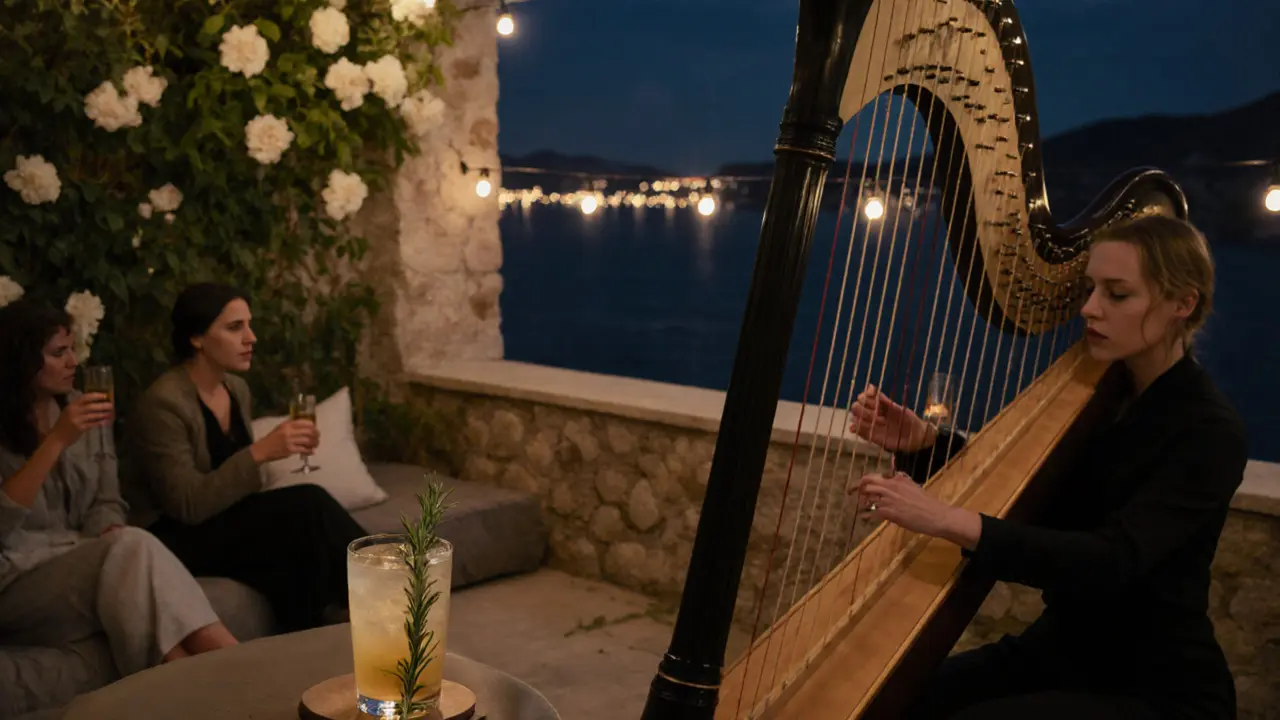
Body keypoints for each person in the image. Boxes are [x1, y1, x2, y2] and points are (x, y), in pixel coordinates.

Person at [848, 214, 1246, 720]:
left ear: (1182, 305)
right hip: (1061, 653)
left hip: (1154, 683)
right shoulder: (1104, 400)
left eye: (1117, 294)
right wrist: (925, 444)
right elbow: (1037, 499)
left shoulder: (1208, 430)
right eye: (1090, 289)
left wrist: (943, 518)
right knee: (890, 699)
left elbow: (1111, 560)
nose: (1089, 308)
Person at [0, 298, 237, 675]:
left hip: (83, 555)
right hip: (17, 581)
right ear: (22, 360)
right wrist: (57, 440)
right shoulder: (45, 425)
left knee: (129, 548)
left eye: (72, 349)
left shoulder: (82, 406)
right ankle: (240, 668)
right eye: (58, 353)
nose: (73, 362)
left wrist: (108, 528)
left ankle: (207, 681)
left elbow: (107, 499)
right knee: (130, 550)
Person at [126, 282, 367, 633]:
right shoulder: (164, 403)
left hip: (222, 520)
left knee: (297, 539)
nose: (251, 337)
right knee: (308, 504)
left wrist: (269, 455)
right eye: (235, 327)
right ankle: (393, 583)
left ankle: (328, 628)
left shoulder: (236, 389)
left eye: (249, 325)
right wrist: (261, 451)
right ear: (197, 338)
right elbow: (186, 504)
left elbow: (248, 486)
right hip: (172, 535)